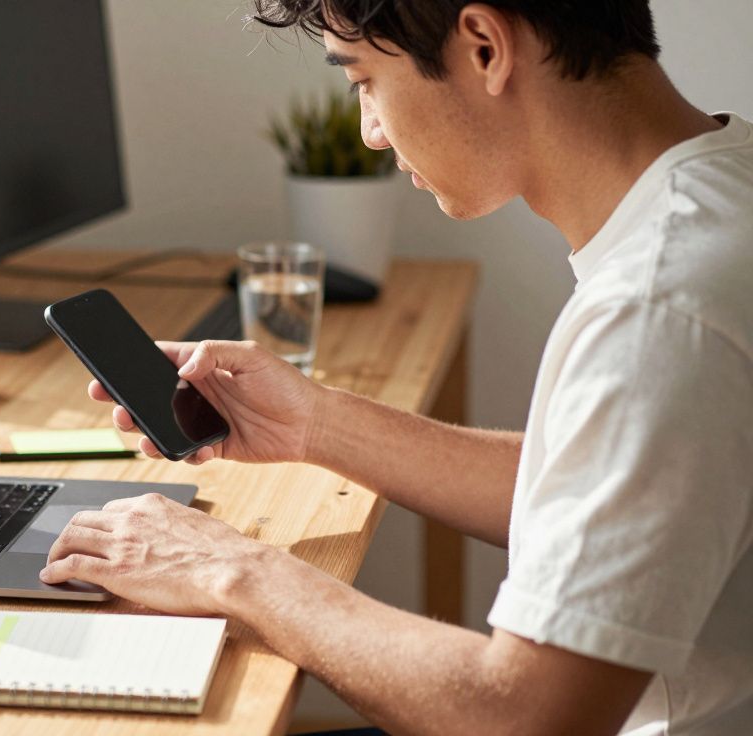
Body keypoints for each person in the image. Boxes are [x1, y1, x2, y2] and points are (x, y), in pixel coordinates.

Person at [41, 2, 753, 734]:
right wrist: (316, 421)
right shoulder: (727, 189)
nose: (369, 132)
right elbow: (616, 491)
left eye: (365, 81)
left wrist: (229, 569)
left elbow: (525, 716)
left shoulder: (660, 306)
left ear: (483, 47)